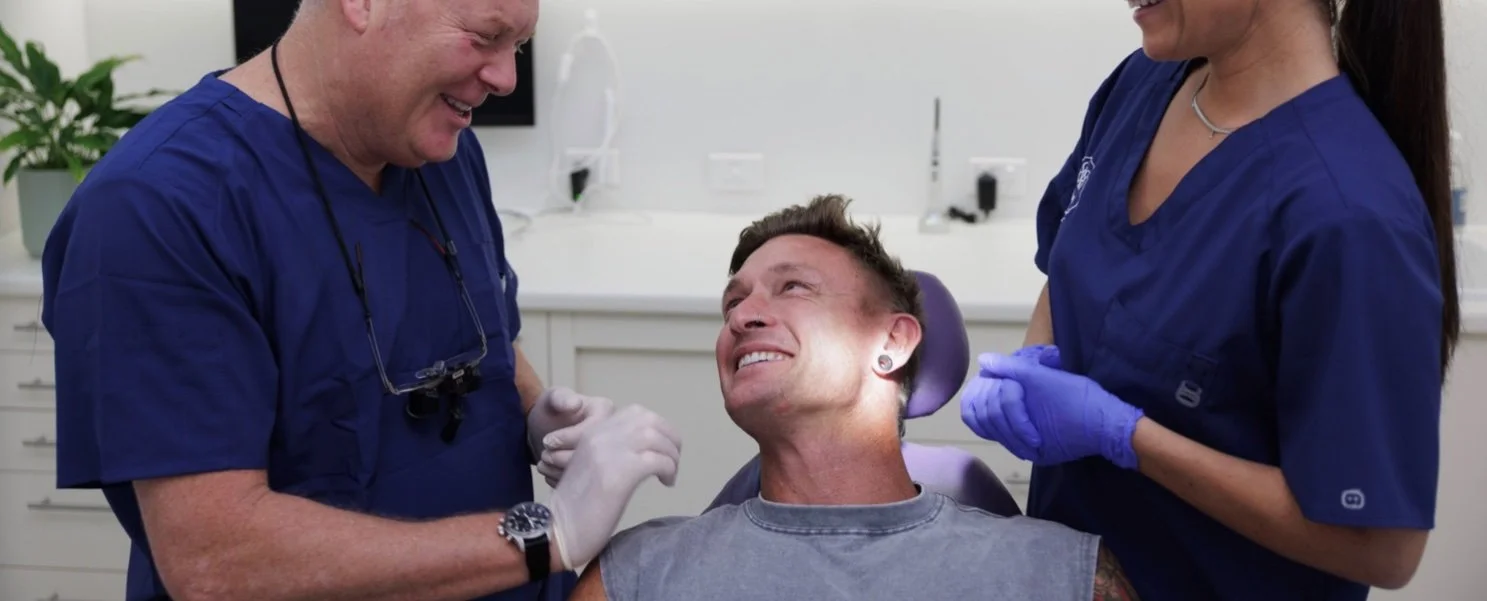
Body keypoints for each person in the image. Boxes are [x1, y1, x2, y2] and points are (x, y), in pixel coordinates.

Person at [39, 1, 682, 600]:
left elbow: (477, 329)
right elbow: (215, 561)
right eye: (486, 37)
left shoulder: (441, 151)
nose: (506, 77)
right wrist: (548, 535)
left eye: (518, 45)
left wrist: (539, 415)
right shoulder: (159, 206)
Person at [959, 0, 1456, 600]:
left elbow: (1383, 546)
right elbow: (1070, 260)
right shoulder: (1144, 85)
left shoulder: (1347, 216)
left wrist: (1125, 437)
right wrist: (1031, 366)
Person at [568, 195, 1142, 601]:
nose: (742, 316)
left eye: (793, 287)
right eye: (733, 304)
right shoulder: (641, 573)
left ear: (892, 343)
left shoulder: (1056, 574)